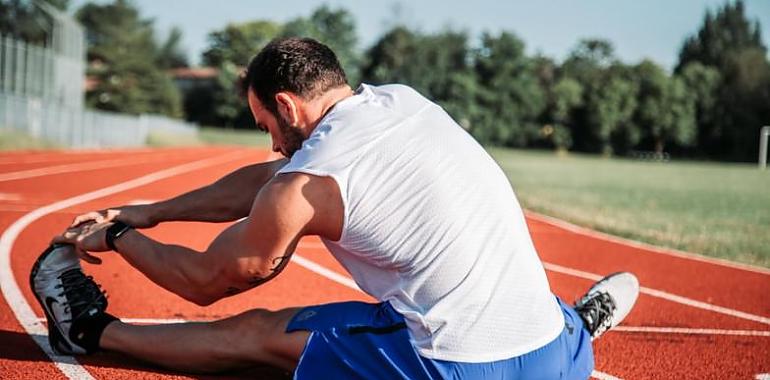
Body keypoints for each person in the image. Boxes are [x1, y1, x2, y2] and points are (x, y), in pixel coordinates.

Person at [31, 37, 639, 379]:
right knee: (497, 278)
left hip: (453, 369)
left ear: (289, 108)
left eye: (266, 123)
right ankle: (579, 325)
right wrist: (152, 211)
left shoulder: (306, 186)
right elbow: (271, 176)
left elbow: (204, 281)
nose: (270, 141)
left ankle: (90, 332)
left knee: (258, 334)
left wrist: (116, 238)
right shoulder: (400, 102)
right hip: (553, 357)